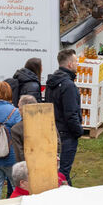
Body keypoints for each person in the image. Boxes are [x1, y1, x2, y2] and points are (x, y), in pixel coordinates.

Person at [44, 50, 83, 184]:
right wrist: (78, 131)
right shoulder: (68, 85)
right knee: (63, 173)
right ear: (70, 64)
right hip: (67, 134)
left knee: (58, 171)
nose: (78, 64)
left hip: (54, 131)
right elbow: (71, 113)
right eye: (76, 61)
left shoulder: (52, 82)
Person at [9, 95, 37, 163]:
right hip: (48, 164)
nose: (18, 110)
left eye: (19, 107)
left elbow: (19, 154)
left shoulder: (16, 129)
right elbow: (57, 142)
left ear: (23, 109)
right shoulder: (48, 122)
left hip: (28, 166)